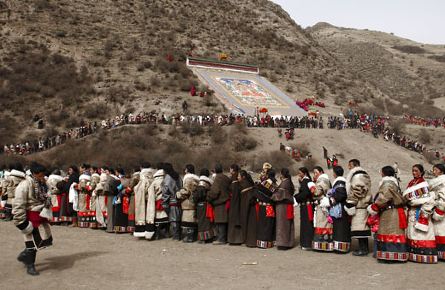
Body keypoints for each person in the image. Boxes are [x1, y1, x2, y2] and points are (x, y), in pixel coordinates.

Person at [13, 162, 52, 276]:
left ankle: (24, 255)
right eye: (40, 175)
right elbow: (18, 204)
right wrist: (21, 221)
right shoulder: (24, 185)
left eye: (43, 175)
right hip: (30, 215)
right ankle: (30, 265)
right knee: (32, 242)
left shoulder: (43, 183)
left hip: (40, 214)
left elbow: (48, 194)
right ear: (34, 174)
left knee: (44, 239)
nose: (42, 177)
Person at [367, 166, 408, 262]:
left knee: (389, 233)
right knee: (392, 233)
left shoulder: (387, 184)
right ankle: (393, 255)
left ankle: (390, 256)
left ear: (383, 173)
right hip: (392, 211)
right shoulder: (394, 182)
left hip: (390, 213)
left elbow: (385, 197)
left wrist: (375, 206)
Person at [403, 164, 437, 263]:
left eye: (416, 171)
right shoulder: (411, 183)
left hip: (420, 211)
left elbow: (427, 199)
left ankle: (424, 254)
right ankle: (412, 254)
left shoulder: (425, 184)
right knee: (412, 232)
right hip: (411, 211)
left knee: (421, 233)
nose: (414, 172)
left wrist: (414, 202)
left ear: (421, 172)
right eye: (413, 170)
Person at [345, 159, 372, 256]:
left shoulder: (357, 176)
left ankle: (363, 249)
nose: (349, 167)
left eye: (349, 165)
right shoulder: (364, 175)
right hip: (364, 204)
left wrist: (351, 203)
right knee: (362, 228)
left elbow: (357, 190)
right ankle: (364, 248)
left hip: (359, 205)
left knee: (361, 228)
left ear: (353, 165)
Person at [321, 166, 351, 253]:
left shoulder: (340, 182)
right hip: (339, 208)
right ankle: (340, 246)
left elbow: (341, 195)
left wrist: (331, 200)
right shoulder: (340, 182)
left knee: (340, 227)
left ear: (335, 173)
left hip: (340, 208)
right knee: (340, 227)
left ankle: (341, 248)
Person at [272, 168, 295, 250]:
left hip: (283, 206)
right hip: (284, 206)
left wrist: (273, 193)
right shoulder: (286, 181)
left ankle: (284, 243)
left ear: (282, 174)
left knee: (283, 225)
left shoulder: (285, 182)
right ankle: (287, 242)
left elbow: (279, 194)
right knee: (285, 224)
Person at [208, 164, 231, 245]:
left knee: (220, 221)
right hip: (227, 201)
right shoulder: (226, 178)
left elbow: (215, 191)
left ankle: (221, 239)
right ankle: (223, 238)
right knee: (223, 221)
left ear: (215, 170)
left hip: (219, 202)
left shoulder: (217, 178)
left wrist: (209, 198)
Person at [312, 166, 333, 252]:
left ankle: (322, 243)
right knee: (324, 223)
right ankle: (325, 242)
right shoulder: (324, 179)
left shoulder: (322, 180)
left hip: (322, 205)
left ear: (321, 172)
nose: (314, 174)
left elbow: (317, 192)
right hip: (323, 204)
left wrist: (312, 188)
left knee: (322, 223)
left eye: (316, 172)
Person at [177, 164, 200, 242]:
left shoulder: (188, 179)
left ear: (187, 170)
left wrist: (178, 194)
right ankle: (193, 237)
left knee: (187, 221)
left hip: (188, 203)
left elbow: (186, 191)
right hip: (194, 201)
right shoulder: (197, 179)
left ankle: (188, 237)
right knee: (192, 220)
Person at [294, 167, 315, 250]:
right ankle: (304, 243)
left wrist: (295, 197)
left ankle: (307, 243)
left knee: (307, 224)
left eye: (300, 173)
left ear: (304, 173)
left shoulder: (307, 181)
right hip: (304, 206)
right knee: (304, 223)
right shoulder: (304, 181)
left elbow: (305, 193)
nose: (299, 174)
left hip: (307, 206)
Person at [255, 169, 277, 249]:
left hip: (264, 207)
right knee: (268, 224)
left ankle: (263, 242)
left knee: (263, 224)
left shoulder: (266, 183)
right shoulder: (275, 184)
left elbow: (258, 192)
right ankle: (269, 242)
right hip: (270, 207)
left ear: (268, 175)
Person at [133, 163, 155, 238]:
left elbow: (141, 188)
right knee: (150, 216)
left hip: (143, 199)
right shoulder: (152, 176)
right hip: (151, 199)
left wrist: (135, 188)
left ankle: (142, 232)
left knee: (142, 215)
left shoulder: (143, 177)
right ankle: (150, 232)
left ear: (142, 168)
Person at [146, 167, 169, 240]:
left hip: (158, 201)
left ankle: (157, 234)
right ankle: (167, 233)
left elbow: (151, 193)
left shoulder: (154, 182)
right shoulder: (167, 179)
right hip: (166, 201)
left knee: (158, 219)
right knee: (166, 218)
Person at [192, 169, 214, 243]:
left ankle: (202, 238)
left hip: (199, 205)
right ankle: (208, 237)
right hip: (207, 204)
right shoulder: (209, 184)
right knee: (207, 221)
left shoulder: (199, 185)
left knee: (201, 222)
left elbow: (195, 197)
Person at [162, 163, 182, 240]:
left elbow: (165, 190)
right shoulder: (178, 176)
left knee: (173, 218)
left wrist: (164, 201)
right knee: (179, 217)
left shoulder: (168, 177)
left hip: (171, 200)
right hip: (179, 199)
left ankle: (176, 235)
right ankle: (178, 234)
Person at [430, 163, 445, 260]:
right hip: (436, 206)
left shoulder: (442, 181)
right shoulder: (437, 181)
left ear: (441, 171)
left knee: (441, 231)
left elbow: (443, 196)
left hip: (441, 208)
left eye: (435, 169)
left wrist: (439, 210)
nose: (434, 171)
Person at [239, 170, 257, 247]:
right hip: (251, 205)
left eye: (239, 176)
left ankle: (246, 240)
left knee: (245, 222)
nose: (238, 177)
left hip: (245, 204)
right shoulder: (249, 183)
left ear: (243, 177)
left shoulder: (243, 184)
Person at [228, 164, 243, 245]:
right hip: (239, 201)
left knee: (233, 220)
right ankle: (238, 239)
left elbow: (232, 190)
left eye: (230, 169)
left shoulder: (234, 179)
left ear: (232, 170)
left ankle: (234, 240)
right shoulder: (238, 177)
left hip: (234, 201)